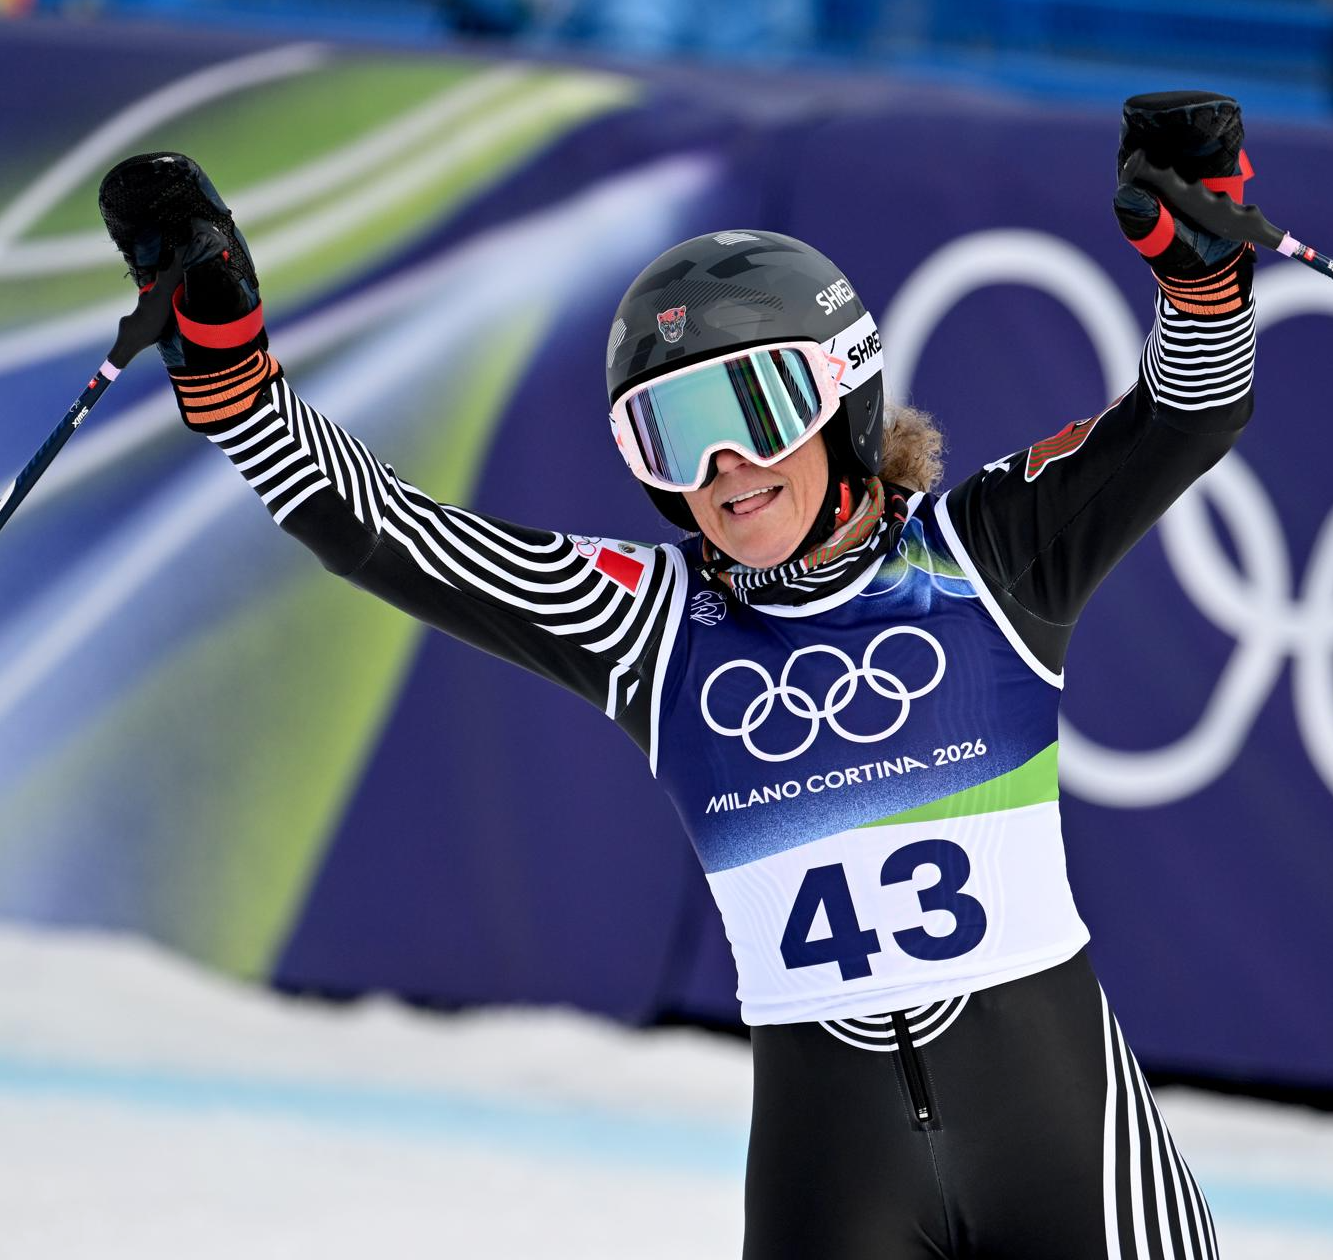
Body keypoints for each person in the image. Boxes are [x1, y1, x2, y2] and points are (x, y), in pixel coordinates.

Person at [99, 89, 1257, 1259]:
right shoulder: (649, 624)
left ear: (842, 398)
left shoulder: (987, 557)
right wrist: (233, 375)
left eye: (755, 408)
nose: (722, 468)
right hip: (835, 1175)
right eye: (671, 432)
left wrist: (1200, 279)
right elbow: (380, 530)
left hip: (1062, 1147)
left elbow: (1190, 409)